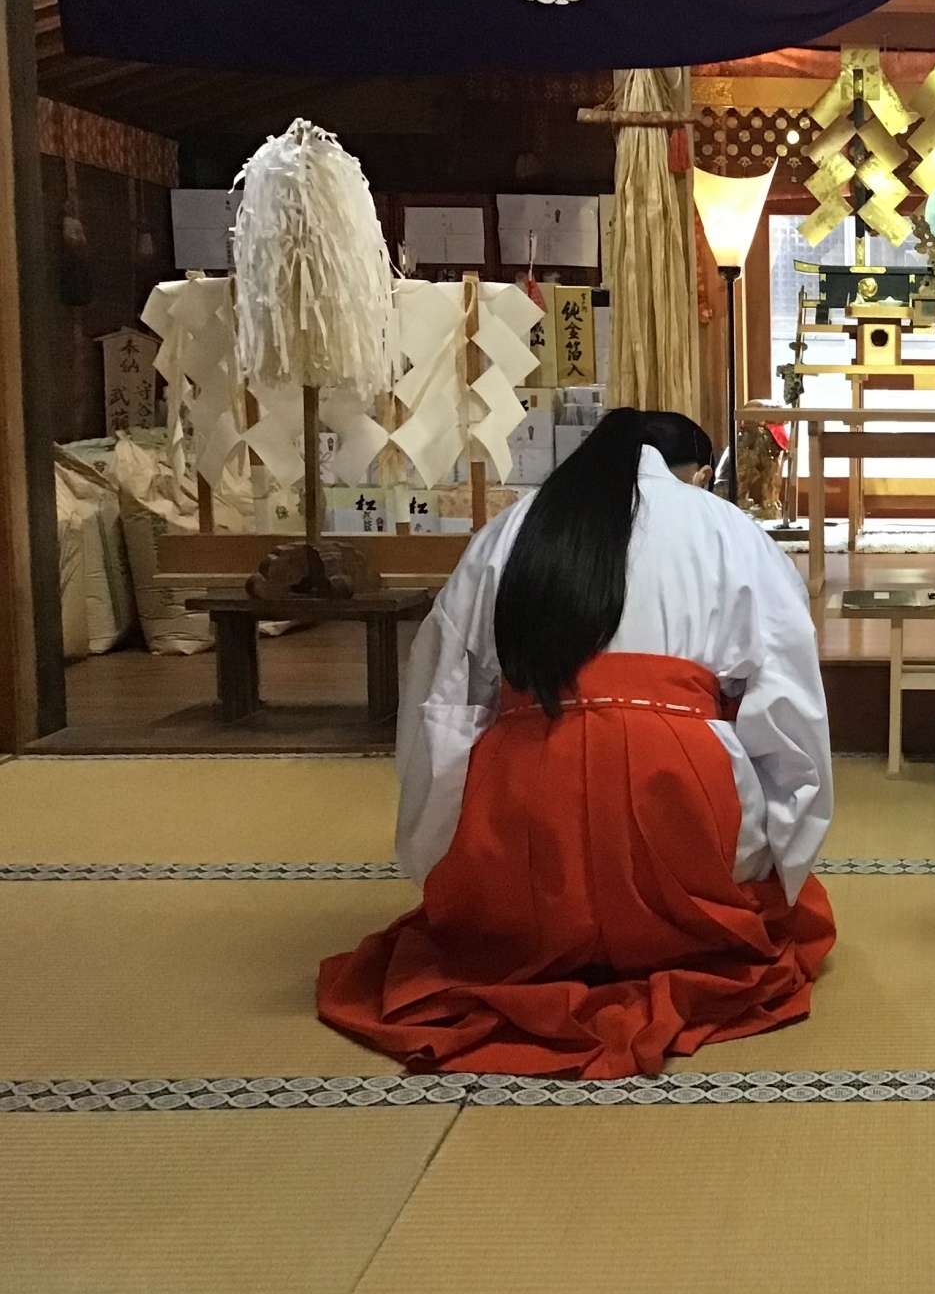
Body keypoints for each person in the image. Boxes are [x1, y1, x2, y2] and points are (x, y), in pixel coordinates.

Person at [319, 410, 835, 1079]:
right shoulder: (729, 530)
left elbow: (443, 707)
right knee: (765, 900)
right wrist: (778, 855)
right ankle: (675, 927)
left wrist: (448, 858)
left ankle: (535, 925)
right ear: (689, 471)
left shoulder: (510, 529)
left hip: (529, 800)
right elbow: (787, 702)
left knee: (510, 887)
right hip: (677, 794)